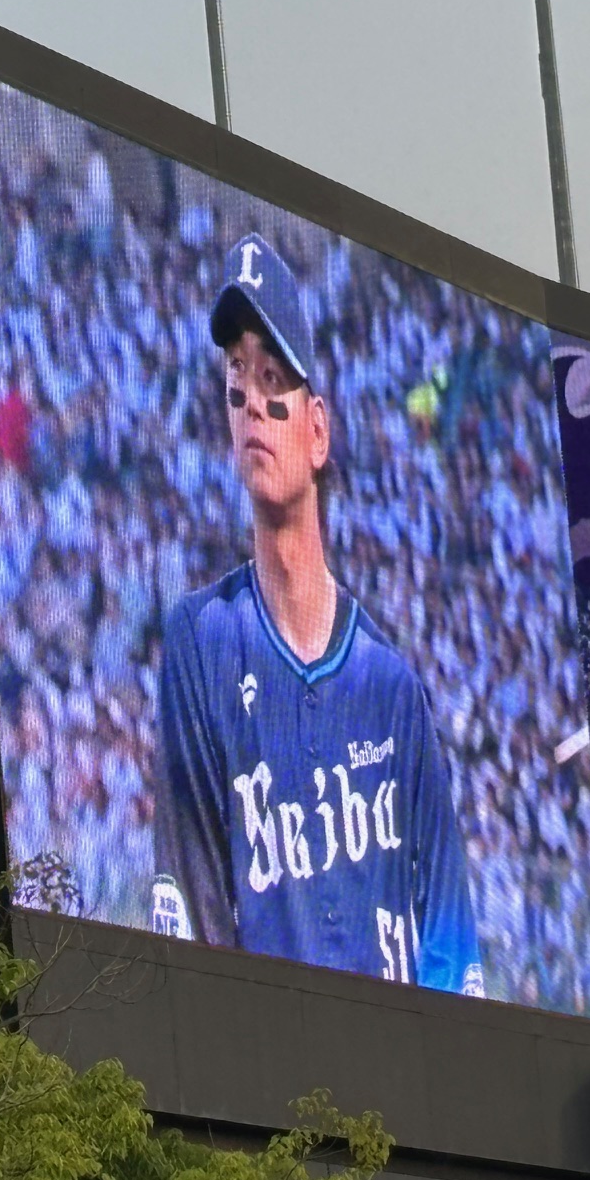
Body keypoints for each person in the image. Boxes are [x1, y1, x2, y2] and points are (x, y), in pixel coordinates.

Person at [152, 231, 484, 997]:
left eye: (273, 378)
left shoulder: (391, 687)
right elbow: (192, 911)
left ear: (318, 430)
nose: (252, 403)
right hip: (261, 1056)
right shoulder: (200, 642)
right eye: (237, 377)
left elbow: (451, 938)